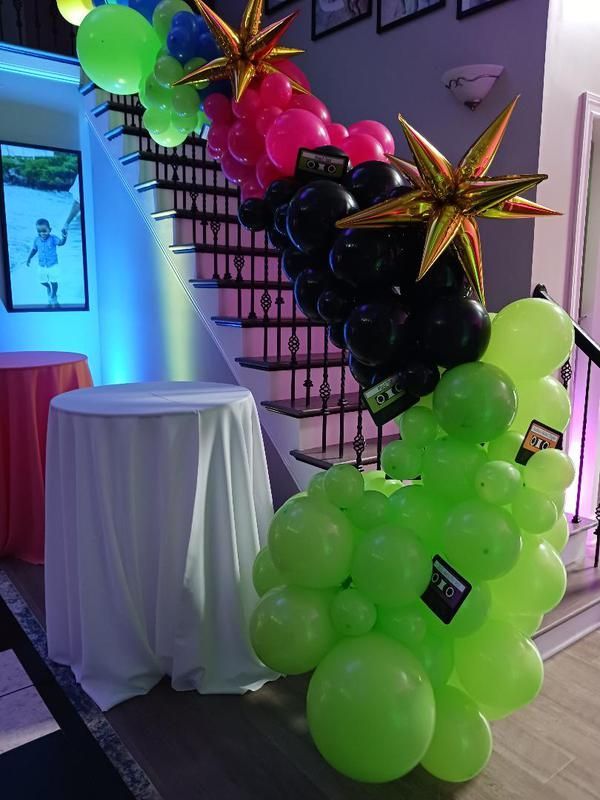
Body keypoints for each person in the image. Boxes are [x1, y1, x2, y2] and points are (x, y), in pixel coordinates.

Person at [26, 218, 67, 308]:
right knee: (42, 281)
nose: (42, 233)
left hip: (53, 265)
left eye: (44, 231)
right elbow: (34, 249)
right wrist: (29, 258)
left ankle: (54, 294)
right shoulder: (36, 240)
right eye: (39, 231)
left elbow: (61, 243)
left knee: (54, 281)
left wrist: (64, 236)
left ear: (50, 230)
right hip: (42, 265)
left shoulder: (53, 238)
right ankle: (48, 287)